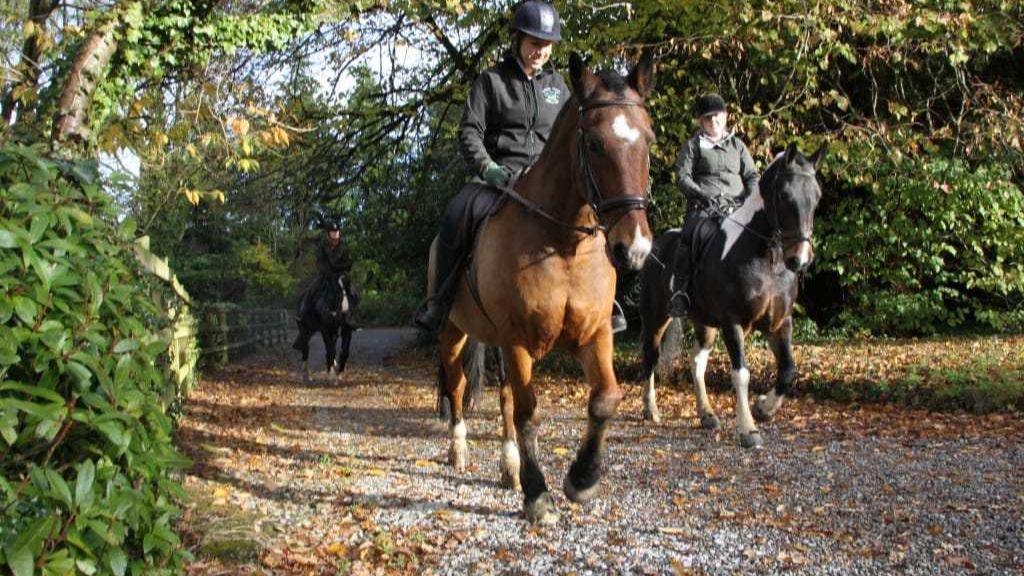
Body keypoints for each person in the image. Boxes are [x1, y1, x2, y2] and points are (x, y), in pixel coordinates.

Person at [668, 93, 760, 317]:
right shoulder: (693, 146)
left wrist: (750, 198)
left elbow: (751, 175)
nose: (713, 122)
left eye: (717, 117)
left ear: (726, 117)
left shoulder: (737, 146)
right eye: (708, 118)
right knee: (689, 236)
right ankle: (680, 293)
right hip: (704, 208)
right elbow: (682, 176)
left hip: (737, 207)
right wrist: (699, 194)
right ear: (701, 122)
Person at [296, 221, 354, 322]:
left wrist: (339, 268)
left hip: (340, 274)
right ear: (328, 234)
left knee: (351, 291)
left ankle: (350, 316)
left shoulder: (344, 246)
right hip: (326, 274)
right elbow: (319, 261)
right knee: (312, 289)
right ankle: (302, 313)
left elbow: (348, 262)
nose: (335, 233)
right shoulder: (322, 245)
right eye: (333, 232)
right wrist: (325, 270)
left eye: (337, 231)